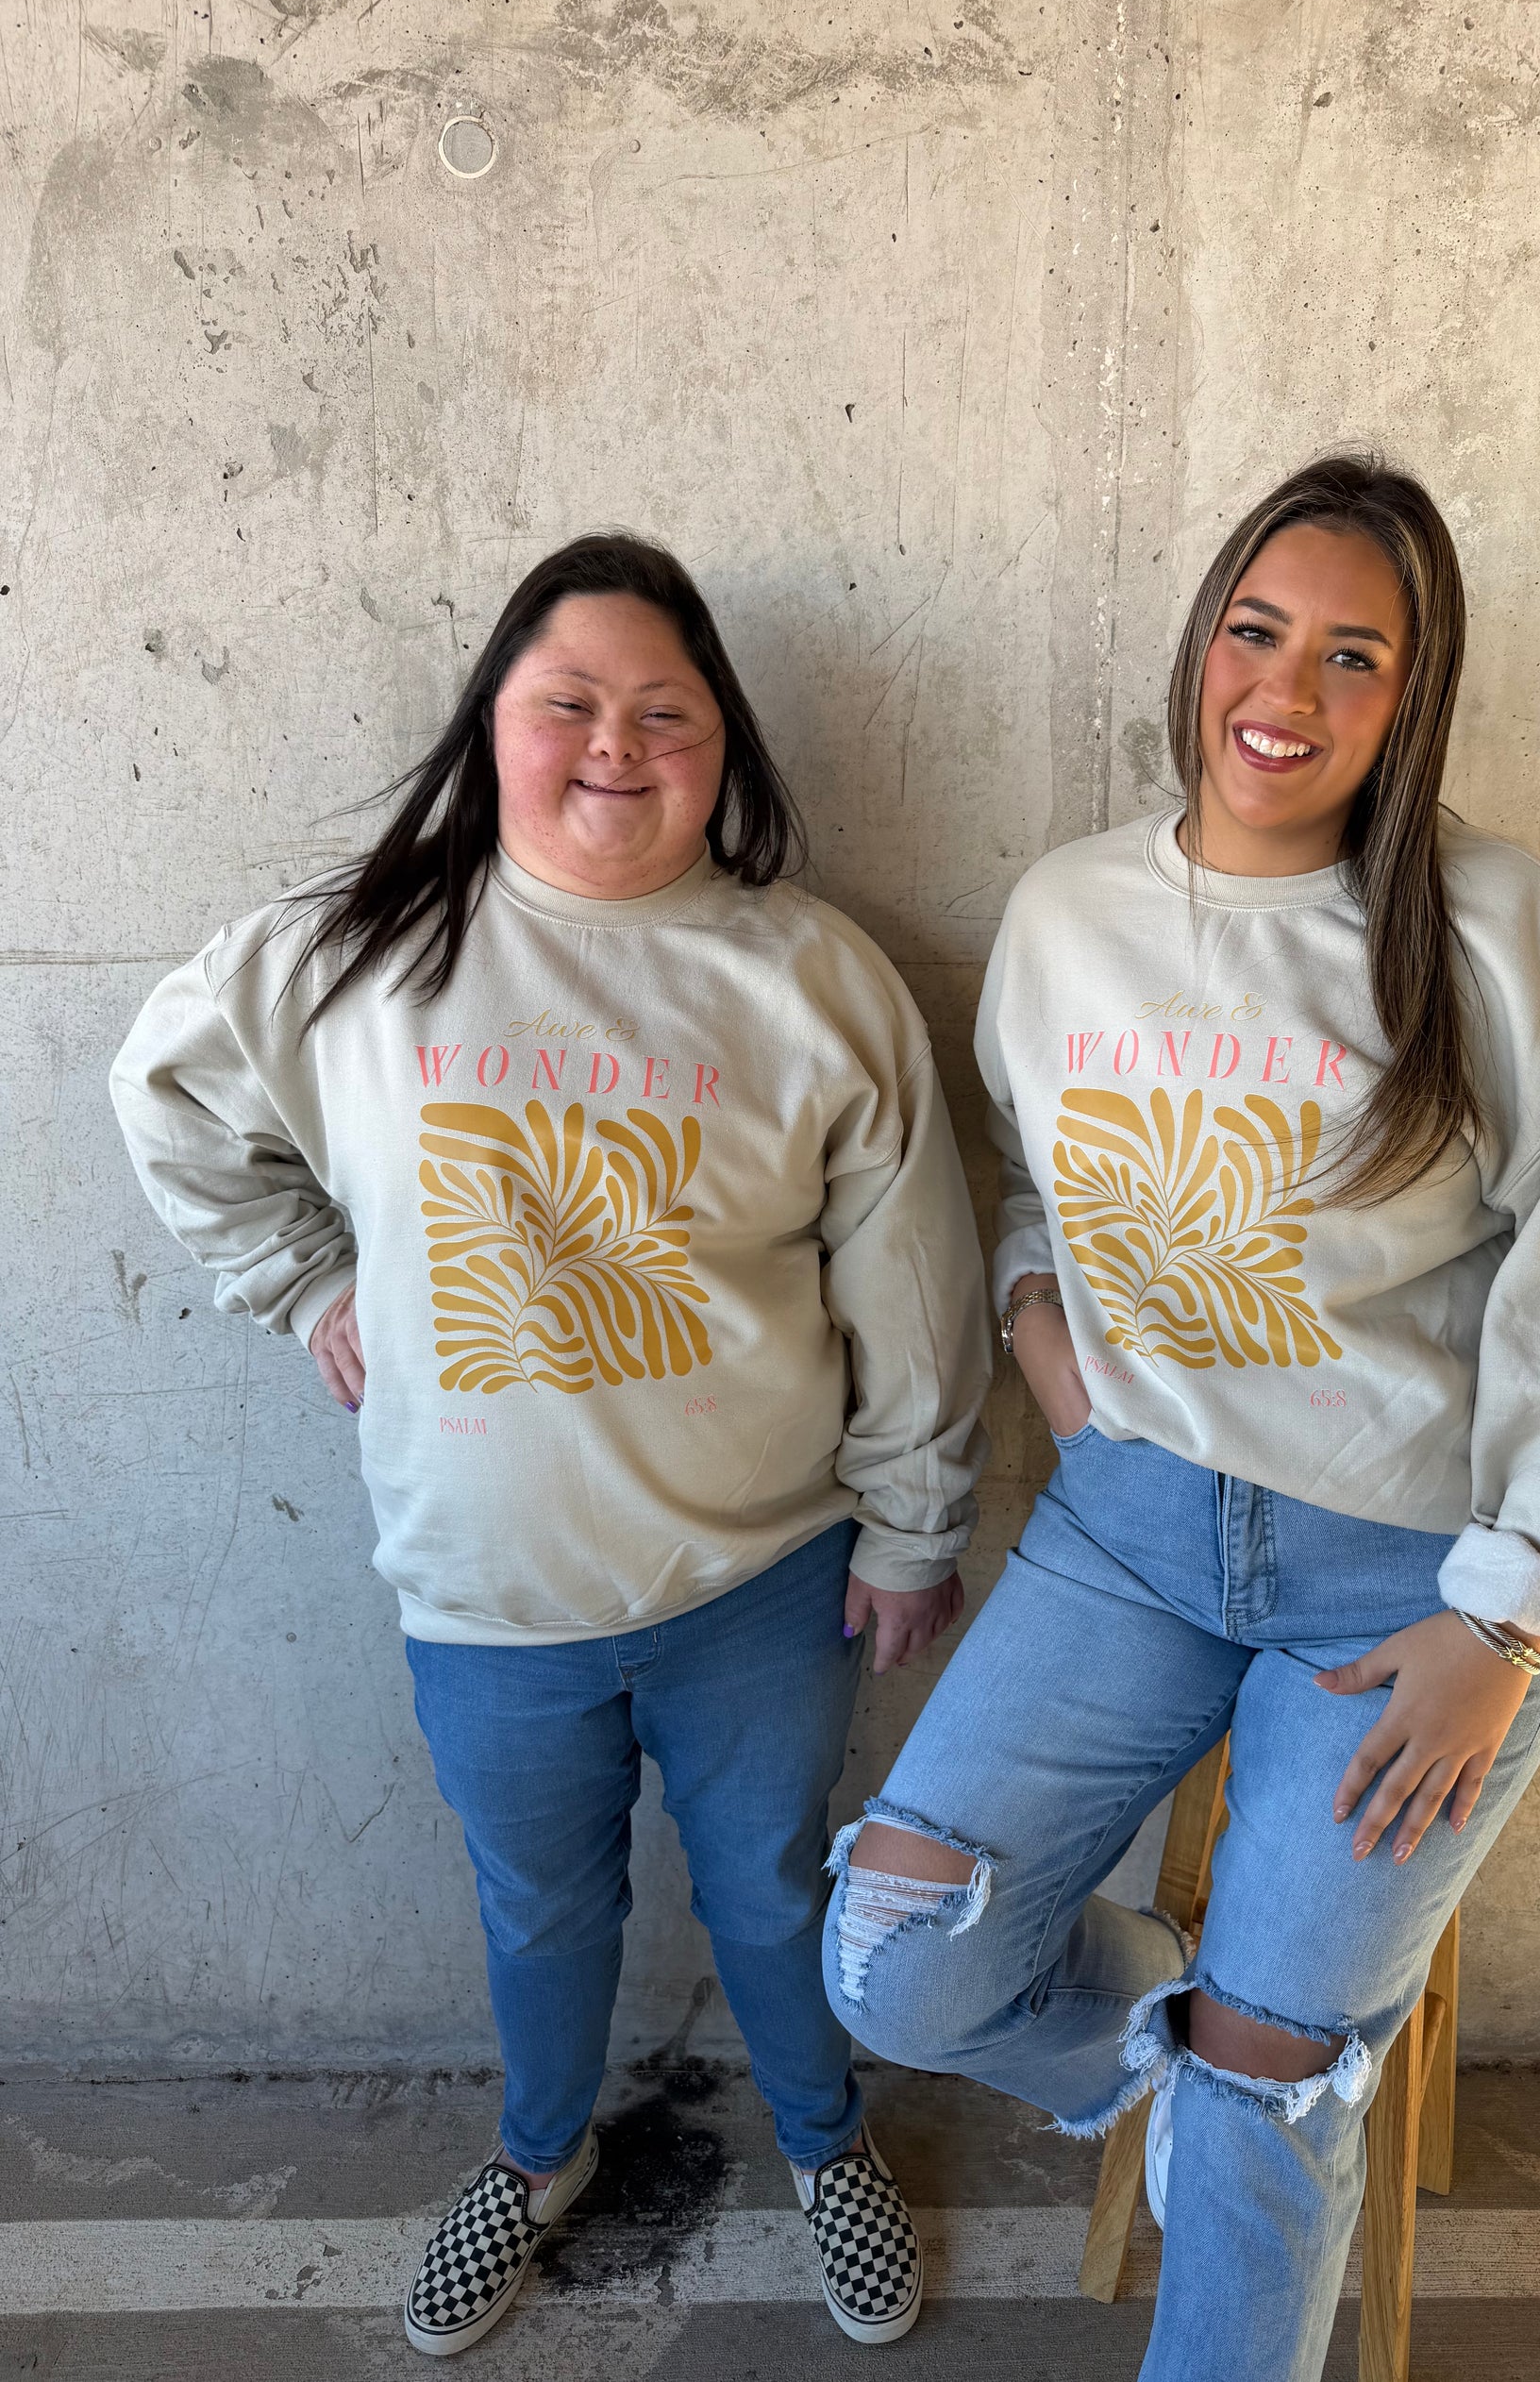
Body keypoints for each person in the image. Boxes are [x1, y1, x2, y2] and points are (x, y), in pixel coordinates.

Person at [821, 456, 1540, 2381]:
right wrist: (1040, 1322)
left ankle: (1249, 2072)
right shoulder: (1069, 912)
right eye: (1255, 628)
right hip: (1128, 1532)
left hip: (1405, 1589)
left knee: (1268, 2103)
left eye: (1352, 655)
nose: (1285, 688)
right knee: (896, 1958)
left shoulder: (1499, 927)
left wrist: (1503, 1622)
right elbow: (1036, 1172)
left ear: (1410, 694)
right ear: (1201, 644)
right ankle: (1192, 2032)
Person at [111, 535, 990, 2357]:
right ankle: (536, 2154)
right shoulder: (358, 954)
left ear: (722, 745)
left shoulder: (810, 977)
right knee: (536, 1913)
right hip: (485, 1596)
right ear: (490, 727)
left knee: (774, 1894)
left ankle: (824, 2141)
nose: (615, 745)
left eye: (665, 712)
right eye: (568, 703)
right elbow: (166, 1090)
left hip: (762, 1577)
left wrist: (916, 1525)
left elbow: (910, 1276)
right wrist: (302, 1278)